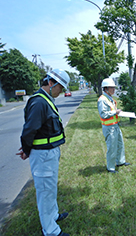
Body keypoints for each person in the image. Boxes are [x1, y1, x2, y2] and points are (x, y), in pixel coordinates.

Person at [16, 69, 70, 236]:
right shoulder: (39, 102)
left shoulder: (46, 100)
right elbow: (29, 130)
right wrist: (26, 150)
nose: (60, 92)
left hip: (49, 153)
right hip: (43, 155)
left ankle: (53, 216)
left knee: (50, 188)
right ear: (51, 83)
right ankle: (52, 231)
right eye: (60, 88)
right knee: (45, 193)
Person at [97, 78, 130, 173]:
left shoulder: (109, 99)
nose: (113, 90)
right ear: (106, 88)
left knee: (120, 144)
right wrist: (115, 112)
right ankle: (110, 167)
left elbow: (111, 111)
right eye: (111, 88)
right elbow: (103, 114)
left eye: (114, 87)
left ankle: (120, 161)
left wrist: (117, 112)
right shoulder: (102, 100)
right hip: (109, 127)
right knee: (112, 147)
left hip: (115, 125)